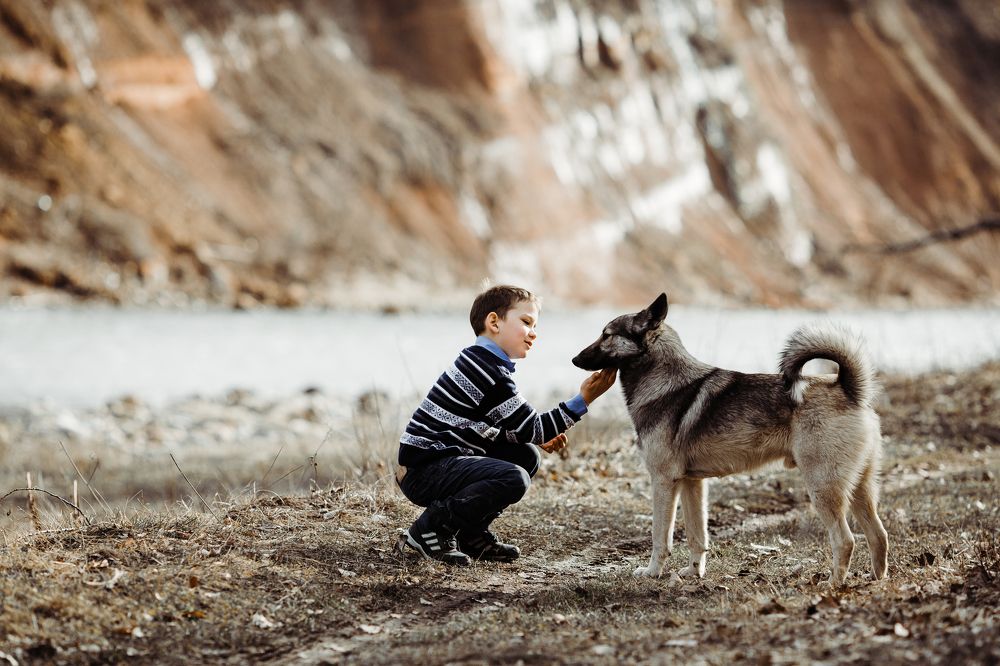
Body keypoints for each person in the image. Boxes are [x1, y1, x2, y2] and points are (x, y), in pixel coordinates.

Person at [395, 284, 617, 565]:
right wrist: (584, 398)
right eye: (526, 322)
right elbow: (535, 427)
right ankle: (428, 530)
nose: (534, 332)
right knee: (513, 477)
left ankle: (471, 534)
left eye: (535, 325)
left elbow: (483, 427)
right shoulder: (486, 370)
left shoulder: (481, 361)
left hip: (438, 462)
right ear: (494, 322)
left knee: (525, 454)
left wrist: (533, 437)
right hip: (424, 471)